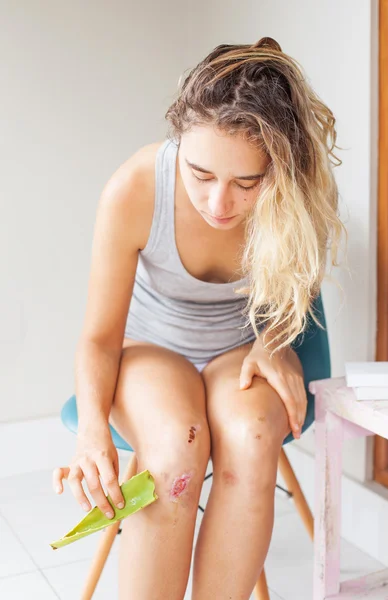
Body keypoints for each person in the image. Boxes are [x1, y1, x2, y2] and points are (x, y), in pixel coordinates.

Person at [53, 37, 345, 599]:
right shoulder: (135, 188)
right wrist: (93, 434)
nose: (218, 204)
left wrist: (275, 340)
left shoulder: (297, 191)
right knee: (173, 447)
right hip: (150, 351)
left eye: (246, 183)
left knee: (253, 432)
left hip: (239, 347)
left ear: (277, 167)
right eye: (201, 173)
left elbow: (297, 289)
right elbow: (98, 337)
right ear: (178, 140)